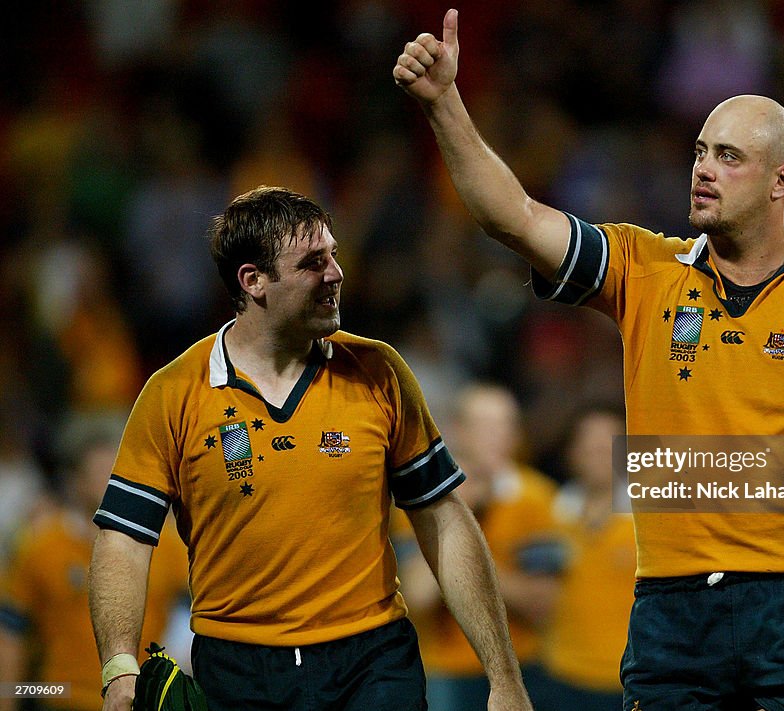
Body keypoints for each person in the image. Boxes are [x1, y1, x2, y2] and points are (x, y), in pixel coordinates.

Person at [394, 11, 784, 709]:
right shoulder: (642, 266)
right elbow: (510, 215)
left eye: (728, 157)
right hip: (673, 613)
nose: (703, 171)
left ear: (782, 181)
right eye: (699, 151)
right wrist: (446, 104)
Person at [88, 187, 532, 711]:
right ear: (253, 282)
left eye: (335, 255)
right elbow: (124, 539)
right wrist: (119, 666)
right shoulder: (173, 392)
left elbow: (445, 519)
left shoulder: (380, 372)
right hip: (237, 672)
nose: (337, 274)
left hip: (373, 661)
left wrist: (505, 678)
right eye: (313, 263)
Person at [0, 413, 190, 711]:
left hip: (140, 701)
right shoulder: (41, 546)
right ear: (74, 478)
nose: (115, 479)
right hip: (61, 697)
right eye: (102, 470)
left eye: (119, 468)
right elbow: (11, 633)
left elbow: (200, 613)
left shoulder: (165, 545)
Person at [395, 383, 560, 709]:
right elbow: (417, 595)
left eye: (506, 425)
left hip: (523, 668)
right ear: (458, 431)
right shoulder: (422, 496)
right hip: (442, 670)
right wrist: (456, 513)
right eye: (485, 426)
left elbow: (541, 604)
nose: (498, 436)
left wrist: (466, 555)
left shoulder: (536, 498)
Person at [532, 404, 635, 711]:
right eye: (589, 445)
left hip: (629, 683)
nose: (599, 452)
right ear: (571, 452)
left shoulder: (652, 519)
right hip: (559, 678)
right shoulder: (550, 512)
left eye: (609, 444)